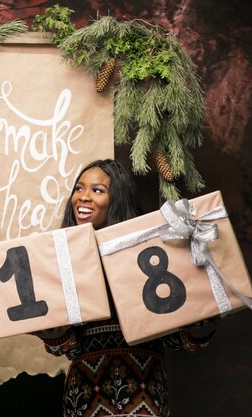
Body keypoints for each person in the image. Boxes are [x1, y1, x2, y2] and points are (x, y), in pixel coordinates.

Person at [33, 159, 216, 417]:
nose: (83, 197)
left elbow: (181, 340)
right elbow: (68, 347)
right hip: (84, 400)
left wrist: (206, 315)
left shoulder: (151, 255)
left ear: (117, 198)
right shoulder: (60, 261)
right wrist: (49, 330)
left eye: (97, 190)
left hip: (144, 397)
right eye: (79, 188)